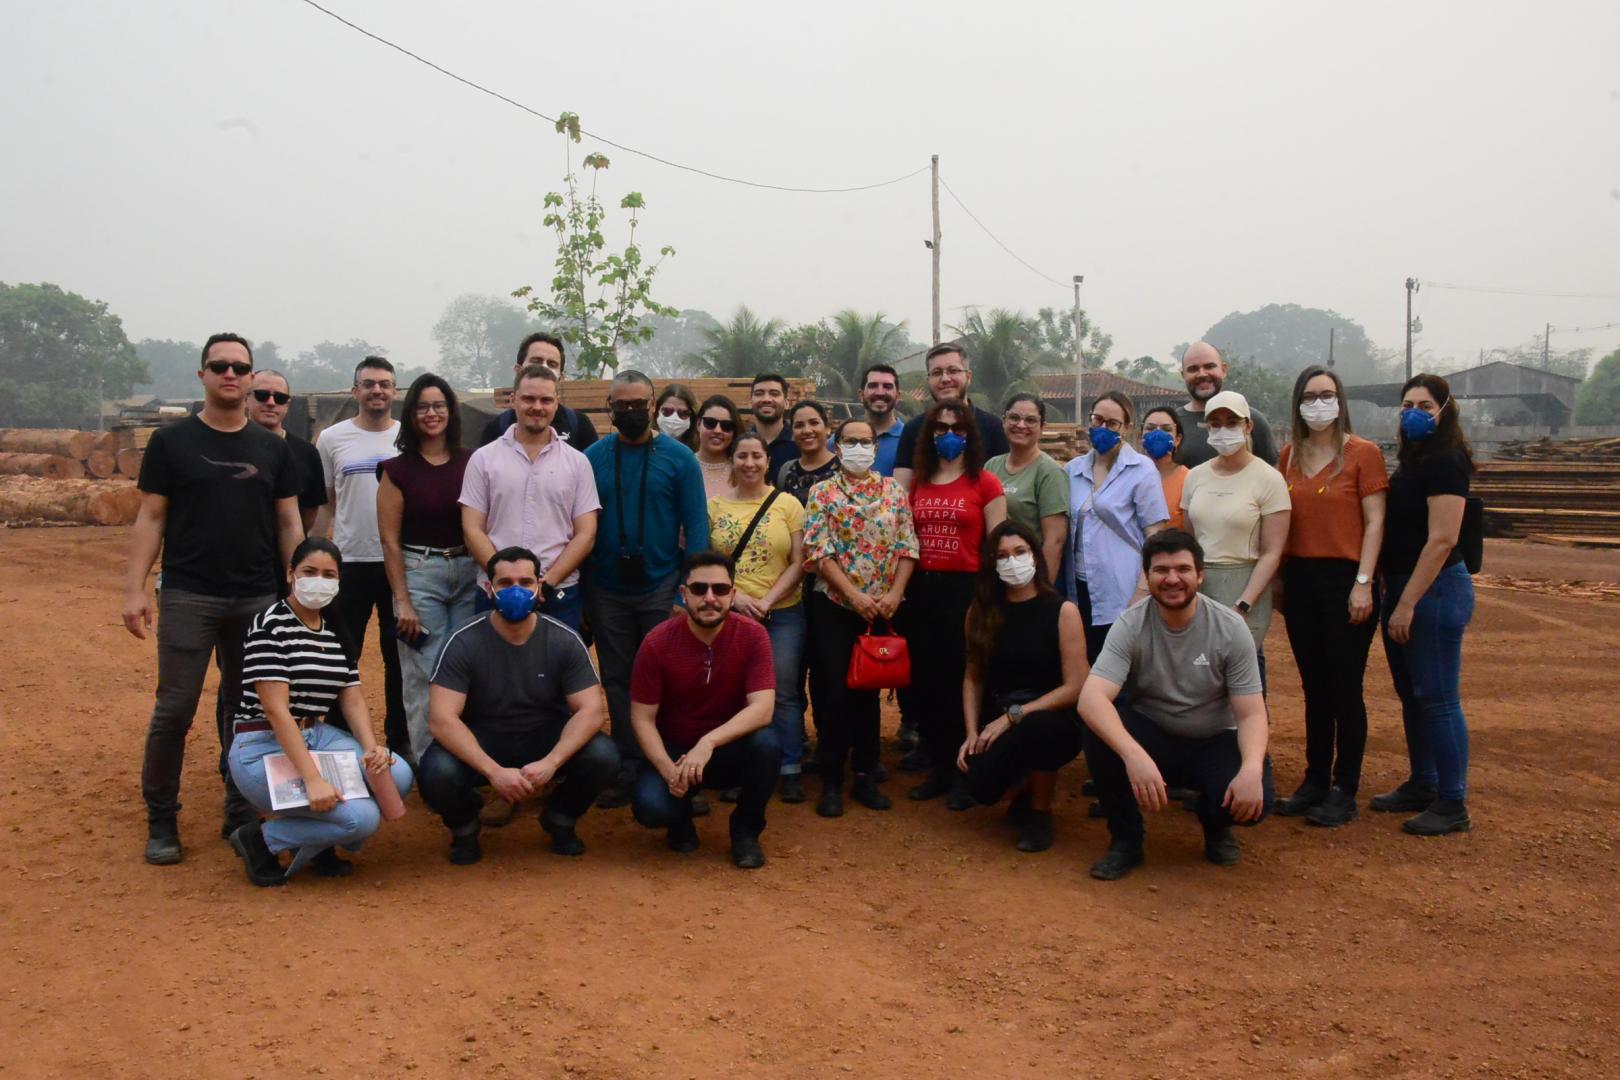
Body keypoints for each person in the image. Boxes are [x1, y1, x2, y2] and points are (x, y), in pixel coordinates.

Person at [125, 333, 303, 865]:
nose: (231, 374)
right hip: (188, 594)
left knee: (244, 709)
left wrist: (296, 584)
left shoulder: (273, 449)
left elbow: (289, 520)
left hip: (255, 597)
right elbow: (151, 517)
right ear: (202, 374)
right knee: (174, 709)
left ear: (251, 379)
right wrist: (134, 586)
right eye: (219, 366)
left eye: (240, 367)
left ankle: (239, 809)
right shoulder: (171, 443)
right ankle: (161, 818)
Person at [1078, 530, 1274, 880]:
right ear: (1148, 576)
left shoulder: (1230, 628)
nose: (1172, 579)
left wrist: (1251, 771)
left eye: (1182, 569)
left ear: (1200, 575)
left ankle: (1215, 823)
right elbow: (1091, 698)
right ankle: (1126, 840)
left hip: (1214, 739)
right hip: (1154, 737)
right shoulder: (1131, 624)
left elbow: (1252, 713)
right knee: (1099, 730)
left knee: (1256, 802)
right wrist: (1133, 755)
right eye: (1161, 570)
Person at [225, 537, 416, 886]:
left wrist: (372, 747)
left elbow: (352, 696)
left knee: (396, 775)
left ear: (339, 581)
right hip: (264, 745)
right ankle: (261, 840)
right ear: (290, 574)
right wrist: (312, 780)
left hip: (316, 736)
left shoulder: (335, 630)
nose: (319, 580)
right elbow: (276, 711)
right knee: (363, 818)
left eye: (329, 574)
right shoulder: (271, 625)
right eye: (309, 571)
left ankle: (318, 842)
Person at [418, 547, 621, 864]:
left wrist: (553, 762)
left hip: (543, 736)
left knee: (603, 756)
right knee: (437, 771)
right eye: (505, 583)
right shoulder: (463, 640)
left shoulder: (564, 639)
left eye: (526, 582)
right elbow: (442, 719)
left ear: (540, 587)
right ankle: (465, 828)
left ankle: (560, 818)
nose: (516, 590)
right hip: (484, 737)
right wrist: (493, 771)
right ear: (489, 589)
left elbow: (591, 710)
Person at [584, 370, 710, 806]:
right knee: (617, 679)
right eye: (623, 406)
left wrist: (686, 593)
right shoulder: (593, 457)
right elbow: (581, 525)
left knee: (670, 677)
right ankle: (628, 765)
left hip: (661, 585)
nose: (633, 413)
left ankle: (678, 764)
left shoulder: (679, 459)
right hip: (606, 587)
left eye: (640, 405)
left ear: (654, 405)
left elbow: (696, 525)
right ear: (609, 407)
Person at [1273, 366, 1388, 828]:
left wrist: (1364, 582)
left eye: (1328, 395)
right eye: (1310, 395)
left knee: (1345, 688)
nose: (1319, 403)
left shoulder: (1364, 454)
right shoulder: (1288, 456)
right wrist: (1280, 580)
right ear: (1298, 402)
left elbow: (1376, 521)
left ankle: (1345, 787)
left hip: (1346, 579)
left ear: (1341, 401)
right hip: (1301, 578)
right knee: (1313, 687)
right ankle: (1315, 779)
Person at [1371, 373, 1476, 837]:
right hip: (1403, 588)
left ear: (1445, 409)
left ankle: (1452, 801)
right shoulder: (1415, 459)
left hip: (1432, 591)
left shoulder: (1447, 461)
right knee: (1413, 695)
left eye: (1425, 404)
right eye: (1408, 403)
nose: (1414, 411)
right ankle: (1423, 781)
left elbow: (1443, 539)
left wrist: (1407, 602)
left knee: (1437, 697)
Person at [629, 552, 781, 870]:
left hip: (727, 749)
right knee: (650, 808)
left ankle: (745, 833)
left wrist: (708, 742)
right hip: (674, 751)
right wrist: (669, 771)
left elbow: (763, 709)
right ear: (684, 594)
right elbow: (642, 719)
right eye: (699, 589)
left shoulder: (753, 636)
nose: (710, 598)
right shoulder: (657, 643)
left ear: (733, 594)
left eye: (720, 590)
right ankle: (679, 822)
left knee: (767, 745)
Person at [803, 419, 918, 816]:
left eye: (865, 441)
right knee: (835, 692)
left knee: (869, 690)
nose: (858, 448)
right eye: (850, 441)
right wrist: (854, 596)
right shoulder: (822, 492)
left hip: (882, 608)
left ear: (875, 447)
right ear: (836, 446)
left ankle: (867, 773)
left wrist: (894, 595)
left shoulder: (893, 491)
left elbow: (907, 545)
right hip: (835, 606)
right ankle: (832, 778)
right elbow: (819, 551)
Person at [958, 521, 1088, 852]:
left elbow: (1076, 686)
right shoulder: (981, 612)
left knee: (1039, 729)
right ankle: (1025, 783)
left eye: (1020, 552)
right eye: (1002, 555)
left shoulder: (1062, 611)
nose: (1012, 562)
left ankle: (1039, 813)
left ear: (1035, 555)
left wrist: (1016, 715)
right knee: (980, 788)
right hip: (1000, 714)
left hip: (1051, 715)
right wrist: (972, 732)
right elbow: (973, 676)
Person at [905, 398, 1007, 808]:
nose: (949, 436)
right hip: (921, 590)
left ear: (971, 435)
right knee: (925, 682)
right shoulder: (920, 482)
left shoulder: (985, 483)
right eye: (941, 429)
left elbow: (998, 544)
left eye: (958, 429)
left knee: (962, 679)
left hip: (966, 591)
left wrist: (993, 597)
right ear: (930, 435)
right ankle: (940, 768)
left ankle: (968, 770)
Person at [378, 373, 477, 762]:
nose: (431, 413)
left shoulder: (472, 462)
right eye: (422, 406)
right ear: (411, 413)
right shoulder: (396, 470)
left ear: (451, 411)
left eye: (439, 405)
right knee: (424, 671)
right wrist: (402, 600)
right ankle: (429, 763)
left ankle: (465, 760)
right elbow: (389, 540)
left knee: (468, 668)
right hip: (420, 574)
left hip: (469, 570)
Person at [460, 364, 600, 631]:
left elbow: (586, 533)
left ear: (557, 404)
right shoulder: (483, 459)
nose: (538, 407)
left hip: (558, 593)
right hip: (495, 592)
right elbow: (472, 528)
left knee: (557, 671)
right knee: (493, 671)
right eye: (529, 399)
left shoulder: (578, 463)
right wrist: (502, 578)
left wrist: (545, 583)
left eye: (546, 400)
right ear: (513, 400)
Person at [314, 356, 407, 756]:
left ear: (395, 391)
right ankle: (339, 742)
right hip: (349, 563)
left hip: (399, 566)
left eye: (385, 384)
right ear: (355, 391)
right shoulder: (332, 439)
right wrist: (312, 556)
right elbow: (325, 504)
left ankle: (403, 743)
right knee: (341, 655)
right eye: (368, 384)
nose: (377, 391)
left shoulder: (408, 438)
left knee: (400, 658)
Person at [708, 433, 809, 802]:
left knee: (782, 690)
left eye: (756, 457)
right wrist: (737, 599)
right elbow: (709, 566)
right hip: (730, 614)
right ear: (732, 461)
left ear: (768, 461)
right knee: (733, 691)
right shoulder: (715, 506)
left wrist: (766, 600)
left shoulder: (788, 504)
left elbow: (799, 562)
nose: (749, 463)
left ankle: (790, 765)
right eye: (742, 456)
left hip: (782, 612)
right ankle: (739, 767)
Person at [1179, 391, 1290, 677]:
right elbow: (1190, 540)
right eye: (1215, 423)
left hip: (1246, 584)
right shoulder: (1195, 477)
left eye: (1231, 421)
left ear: (1248, 426)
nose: (1223, 430)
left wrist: (1244, 604)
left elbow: (1272, 551)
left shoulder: (1268, 479)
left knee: (1240, 673)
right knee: (1201, 672)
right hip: (1202, 585)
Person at [1064, 391, 1170, 662]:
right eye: (1097, 420)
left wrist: (1141, 592)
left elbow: (1154, 536)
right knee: (1083, 660)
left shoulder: (1142, 470)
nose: (1102, 428)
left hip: (1122, 588)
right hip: (1078, 585)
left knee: (1119, 664)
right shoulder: (1072, 470)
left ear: (1127, 428)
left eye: (1112, 423)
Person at [893, 343, 1010, 488]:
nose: (945, 379)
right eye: (936, 373)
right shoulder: (913, 429)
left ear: (968, 376)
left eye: (953, 370)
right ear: (928, 380)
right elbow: (901, 491)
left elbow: (1004, 488)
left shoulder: (994, 428)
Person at [477, 331, 599, 450]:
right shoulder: (497, 427)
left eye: (552, 364)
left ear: (561, 378)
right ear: (518, 370)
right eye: (536, 361)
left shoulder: (579, 425)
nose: (543, 368)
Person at [1172, 342, 1279, 467]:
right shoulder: (1172, 424)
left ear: (1223, 370)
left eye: (1209, 366)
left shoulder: (1250, 419)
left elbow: (1271, 473)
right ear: (1183, 375)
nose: (1202, 374)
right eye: (1193, 369)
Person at [246, 369, 326, 533]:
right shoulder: (229, 446)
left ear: (287, 405)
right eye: (262, 395)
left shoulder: (307, 453)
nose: (271, 402)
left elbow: (309, 515)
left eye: (279, 398)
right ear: (246, 398)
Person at [776, 399, 841, 508]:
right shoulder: (785, 471)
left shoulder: (844, 470)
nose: (807, 430)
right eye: (799, 425)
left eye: (814, 423)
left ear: (828, 428)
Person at [1140, 407, 1188, 532]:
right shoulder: (1126, 476)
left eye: (1166, 429)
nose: (1157, 434)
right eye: (1150, 428)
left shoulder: (1189, 479)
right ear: (1140, 436)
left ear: (1177, 439)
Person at [748, 372, 798, 484]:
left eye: (774, 394)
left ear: (786, 403)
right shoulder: (739, 445)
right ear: (750, 402)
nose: (766, 399)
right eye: (759, 393)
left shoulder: (799, 444)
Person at [857, 363, 905, 476]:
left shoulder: (911, 439)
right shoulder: (842, 439)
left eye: (887, 387)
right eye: (873, 385)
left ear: (898, 396)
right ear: (861, 395)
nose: (880, 392)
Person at [695, 394, 743, 499]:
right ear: (698, 424)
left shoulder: (743, 469)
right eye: (710, 423)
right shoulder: (683, 465)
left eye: (726, 426)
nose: (717, 430)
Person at [655, 383, 700, 452]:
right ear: (656, 412)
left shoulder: (697, 453)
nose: (674, 418)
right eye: (667, 411)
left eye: (683, 413)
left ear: (692, 418)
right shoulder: (644, 449)